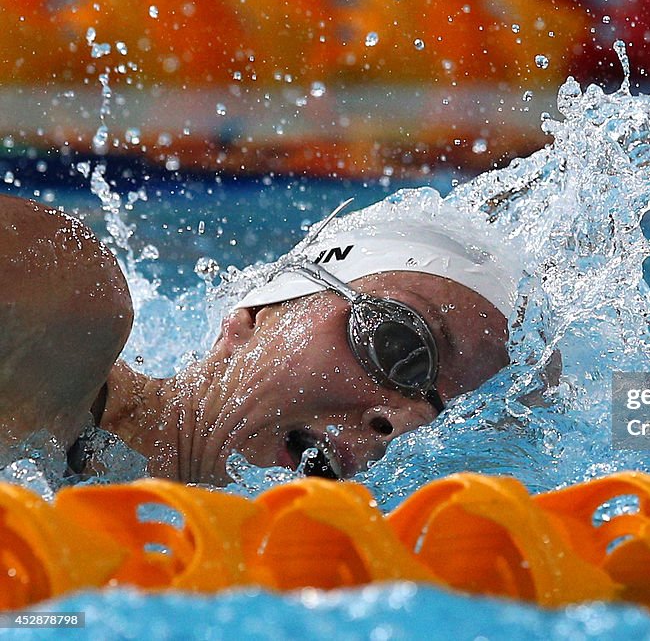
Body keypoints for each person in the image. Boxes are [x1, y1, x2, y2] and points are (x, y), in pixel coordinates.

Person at [0, 190, 520, 485]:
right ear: (254, 315)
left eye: (454, 417)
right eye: (401, 349)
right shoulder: (67, 310)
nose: (407, 424)